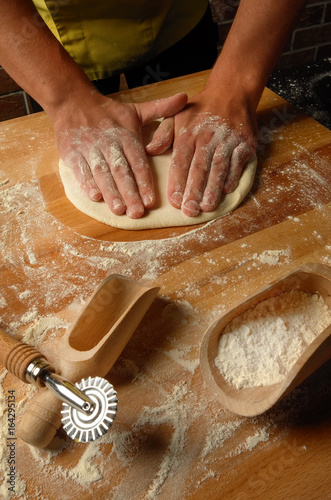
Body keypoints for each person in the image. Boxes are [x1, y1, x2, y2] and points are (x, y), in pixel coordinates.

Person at [0, 0, 307, 219]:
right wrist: (66, 101)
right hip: (50, 42)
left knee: (206, 143)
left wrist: (235, 87)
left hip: (176, 21)